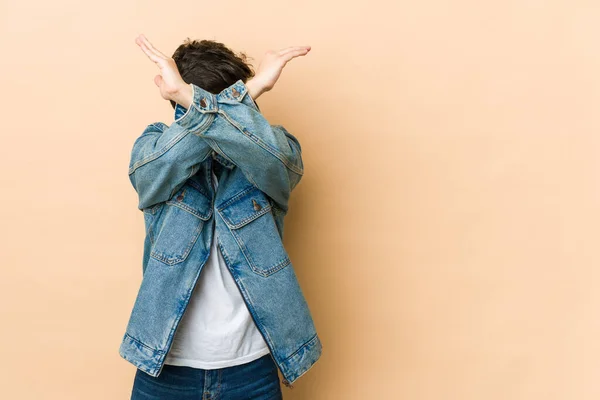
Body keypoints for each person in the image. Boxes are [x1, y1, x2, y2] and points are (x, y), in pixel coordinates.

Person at [124, 34, 318, 400]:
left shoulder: (273, 149)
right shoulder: (152, 146)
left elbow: (280, 167)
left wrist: (192, 99)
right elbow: (155, 174)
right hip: (165, 369)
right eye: (190, 100)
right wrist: (247, 92)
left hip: (252, 371)